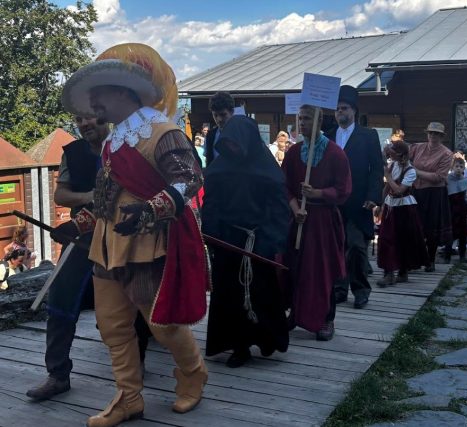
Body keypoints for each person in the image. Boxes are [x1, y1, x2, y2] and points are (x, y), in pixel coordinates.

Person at [59, 43, 208, 427]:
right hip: (106, 248)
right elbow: (109, 198)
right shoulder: (112, 141)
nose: (92, 103)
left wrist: (152, 209)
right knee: (112, 327)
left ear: (124, 93)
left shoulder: (162, 132)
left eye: (98, 94)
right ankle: (129, 397)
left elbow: (190, 178)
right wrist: (78, 225)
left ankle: (192, 373)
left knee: (161, 325)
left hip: (147, 246)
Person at [26, 115, 153, 402]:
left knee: (134, 299)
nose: (86, 124)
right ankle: (57, 374)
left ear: (105, 119)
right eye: (80, 119)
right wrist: (88, 197)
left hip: (122, 237)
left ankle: (137, 365)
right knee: (60, 298)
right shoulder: (74, 152)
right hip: (82, 238)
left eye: (92, 119)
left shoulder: (127, 148)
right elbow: (61, 194)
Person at [201, 115, 290, 368]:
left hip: (258, 241)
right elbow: (212, 205)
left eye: (236, 143)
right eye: (228, 144)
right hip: (229, 241)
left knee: (262, 294)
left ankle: (266, 339)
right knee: (230, 296)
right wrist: (212, 234)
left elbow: (279, 209)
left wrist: (271, 240)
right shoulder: (220, 169)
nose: (233, 148)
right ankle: (239, 346)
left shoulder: (266, 170)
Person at [282, 104, 352, 340]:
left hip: (323, 221)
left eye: (307, 119)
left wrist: (318, 194)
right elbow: (285, 187)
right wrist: (294, 207)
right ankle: (296, 313)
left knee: (322, 270)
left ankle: (326, 319)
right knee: (296, 268)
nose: (302, 123)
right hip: (299, 219)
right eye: (300, 118)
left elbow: (343, 190)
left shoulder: (335, 154)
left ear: (319, 122)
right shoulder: (293, 154)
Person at [328, 85, 384, 309]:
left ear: (353, 111)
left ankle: (360, 290)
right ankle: (339, 288)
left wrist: (373, 196)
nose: (340, 112)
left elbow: (377, 169)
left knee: (357, 247)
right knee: (337, 247)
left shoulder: (368, 136)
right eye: (337, 109)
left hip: (359, 200)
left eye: (344, 108)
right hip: (333, 201)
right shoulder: (328, 136)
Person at [375, 142, 427, 286]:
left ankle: (402, 272)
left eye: (392, 151)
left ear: (400, 154)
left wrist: (388, 177)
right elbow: (387, 187)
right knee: (386, 239)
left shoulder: (410, 171)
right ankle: (389, 273)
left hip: (404, 208)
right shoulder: (393, 165)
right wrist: (380, 204)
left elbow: (399, 190)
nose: (390, 153)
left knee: (404, 240)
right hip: (391, 206)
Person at [410, 122, 453, 271]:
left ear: (441, 136)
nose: (433, 136)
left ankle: (431, 259)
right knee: (414, 226)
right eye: (431, 133)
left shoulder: (447, 154)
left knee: (432, 227)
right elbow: (402, 155)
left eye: (436, 134)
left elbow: (439, 177)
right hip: (416, 191)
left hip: (435, 194)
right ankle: (414, 259)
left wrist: (415, 171)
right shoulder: (418, 147)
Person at [445, 158, 467, 262]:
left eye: (461, 167)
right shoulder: (447, 179)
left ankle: (462, 255)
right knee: (450, 232)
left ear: (464, 168)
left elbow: (466, 197)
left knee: (462, 233)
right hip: (450, 208)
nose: (458, 169)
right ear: (452, 167)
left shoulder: (465, 181)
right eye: (456, 166)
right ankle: (447, 256)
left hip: (461, 209)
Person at [204, 92, 235, 167]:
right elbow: (209, 161)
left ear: (232, 112)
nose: (219, 119)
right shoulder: (210, 136)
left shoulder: (242, 134)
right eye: (215, 115)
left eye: (223, 115)